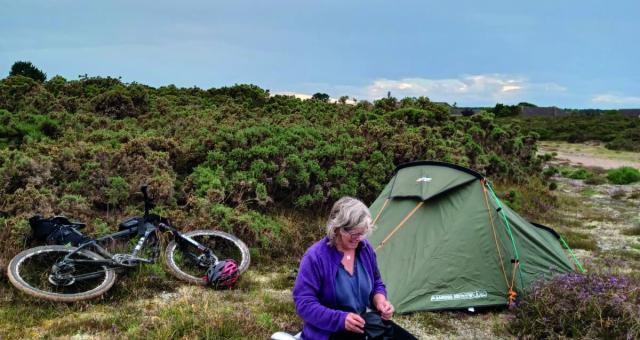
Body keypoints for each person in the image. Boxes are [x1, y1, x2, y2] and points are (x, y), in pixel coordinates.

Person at [293, 197, 417, 339]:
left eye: (362, 233)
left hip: (364, 323)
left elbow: (376, 282)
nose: (358, 238)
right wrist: (340, 319)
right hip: (329, 332)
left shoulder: (365, 249)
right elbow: (304, 303)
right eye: (353, 234)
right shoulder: (315, 257)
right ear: (337, 228)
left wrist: (381, 301)